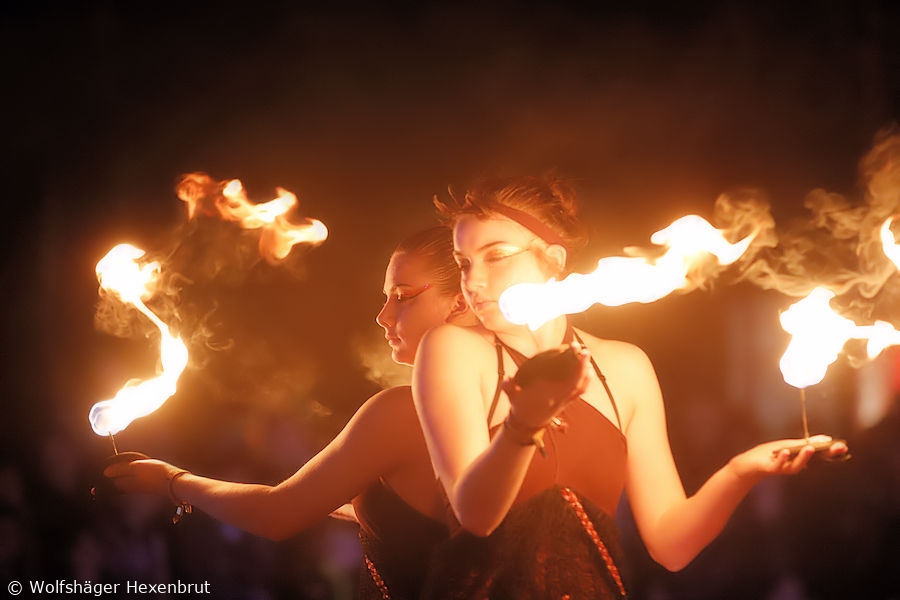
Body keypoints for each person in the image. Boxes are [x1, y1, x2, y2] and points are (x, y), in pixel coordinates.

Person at [411, 174, 849, 599]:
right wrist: (523, 424)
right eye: (464, 263)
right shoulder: (453, 349)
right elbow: (477, 516)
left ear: (555, 259)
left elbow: (671, 545)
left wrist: (743, 470)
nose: (472, 281)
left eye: (496, 256)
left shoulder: (625, 367)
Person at [105, 226, 477, 599]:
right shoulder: (503, 401)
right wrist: (321, 491)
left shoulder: (402, 411)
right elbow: (425, 525)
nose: (383, 315)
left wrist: (171, 480)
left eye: (403, 296)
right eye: (386, 298)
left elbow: (278, 515)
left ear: (460, 303)